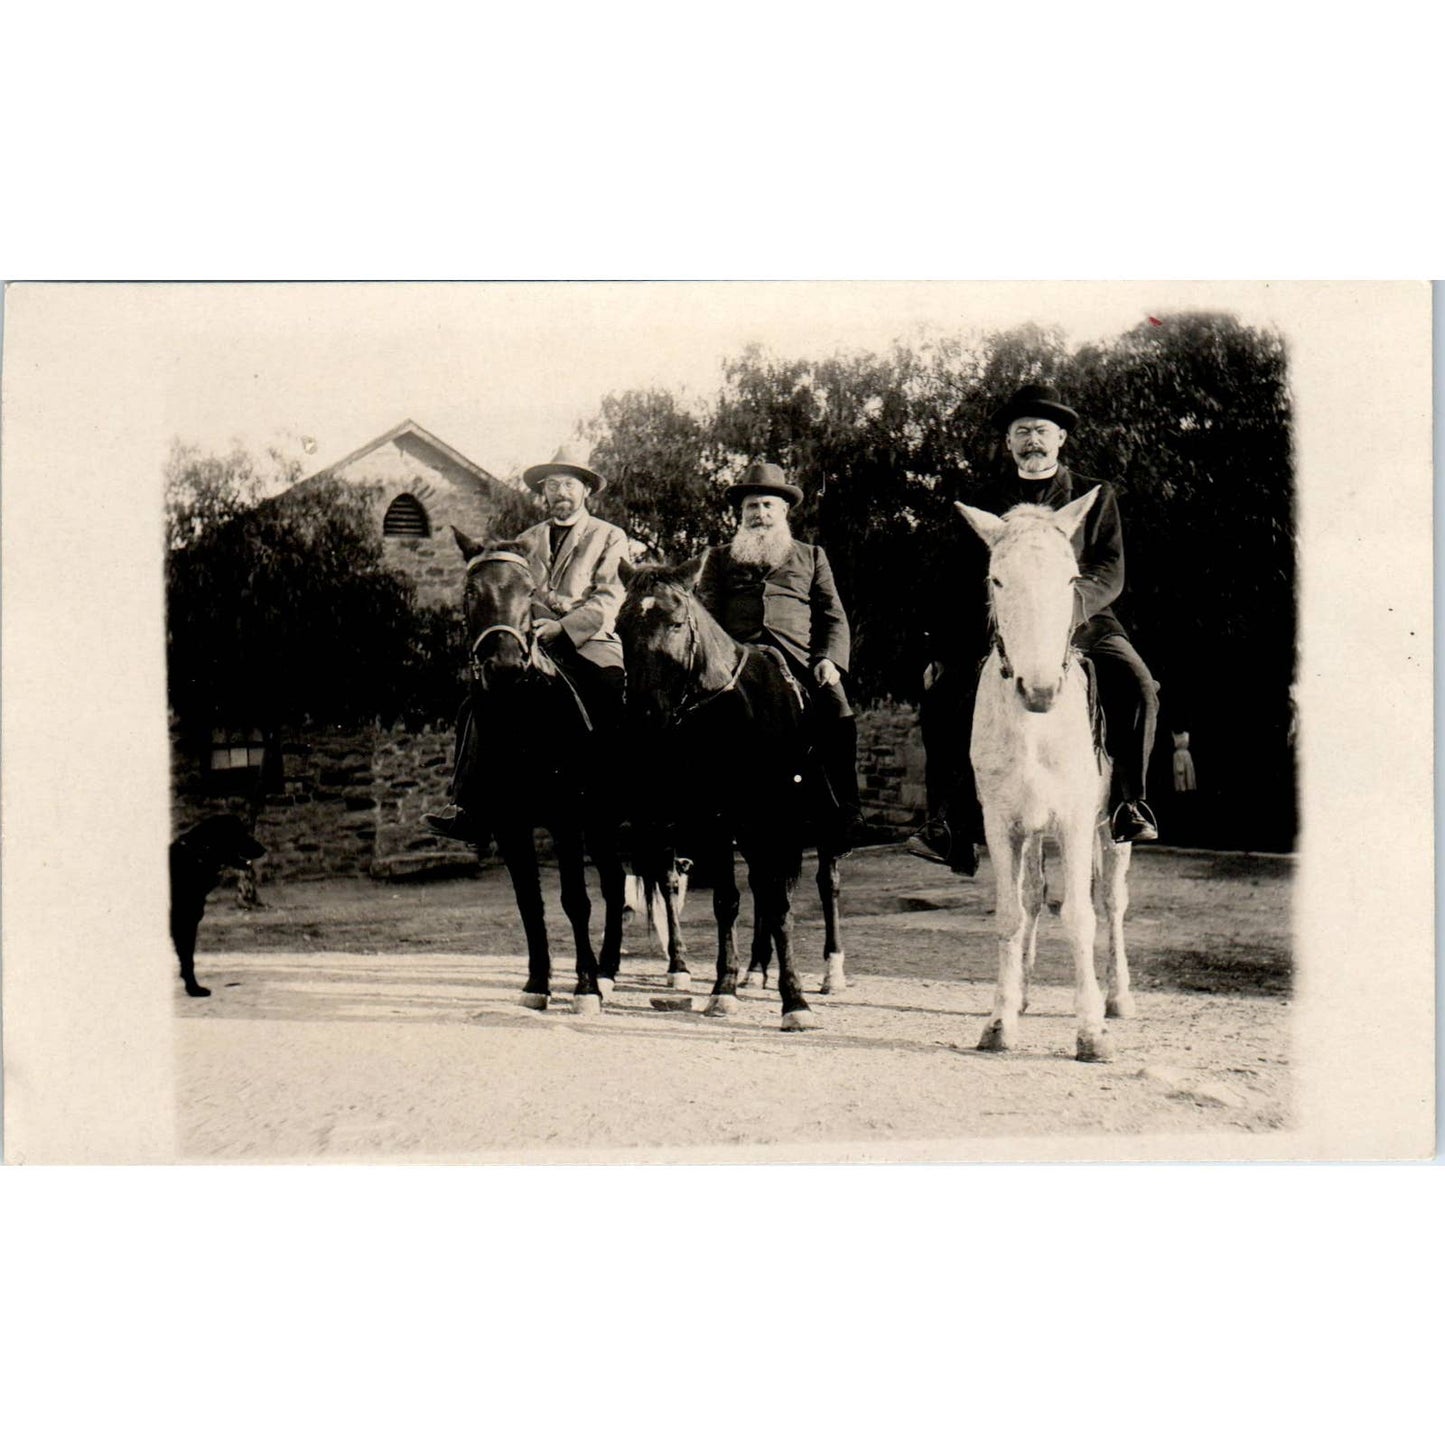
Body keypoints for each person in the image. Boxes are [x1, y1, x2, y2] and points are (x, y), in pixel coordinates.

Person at [909, 383, 1160, 873]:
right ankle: (948, 825)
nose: (1032, 440)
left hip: (1081, 618)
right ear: (1008, 442)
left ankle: (1130, 803)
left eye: (1042, 431)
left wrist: (1066, 608)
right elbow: (953, 577)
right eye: (1021, 432)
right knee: (942, 696)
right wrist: (941, 647)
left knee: (1139, 685)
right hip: (1003, 626)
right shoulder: (983, 501)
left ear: (1061, 438)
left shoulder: (1095, 494)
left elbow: (1110, 568)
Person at [425, 442, 629, 842]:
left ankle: (625, 795)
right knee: (476, 700)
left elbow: (609, 597)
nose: (560, 493)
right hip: (531, 642)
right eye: (552, 485)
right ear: (544, 493)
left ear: (585, 490)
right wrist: (530, 627)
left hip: (589, 640)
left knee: (612, 687)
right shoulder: (526, 540)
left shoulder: (608, 536)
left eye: (569, 484)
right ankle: (469, 804)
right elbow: (513, 595)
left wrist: (566, 626)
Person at [693, 460, 866, 854]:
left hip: (798, 660)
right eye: (752, 506)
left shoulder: (812, 556)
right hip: (735, 662)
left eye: (768, 505)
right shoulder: (719, 558)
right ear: (741, 514)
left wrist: (829, 661)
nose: (760, 514)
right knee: (695, 720)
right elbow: (706, 614)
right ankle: (699, 824)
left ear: (784, 511)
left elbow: (832, 616)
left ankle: (847, 811)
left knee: (839, 714)